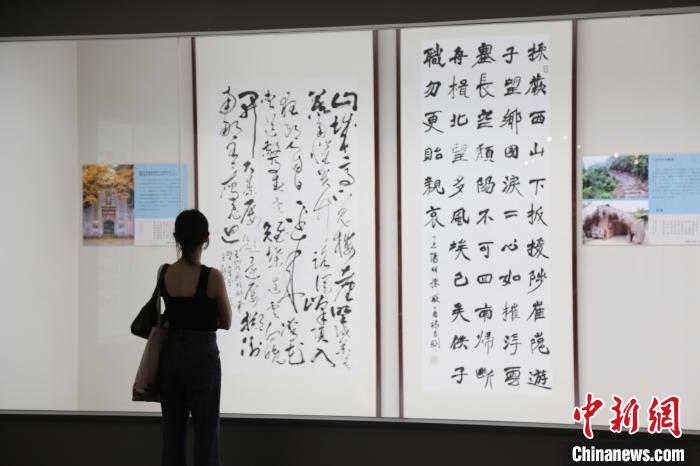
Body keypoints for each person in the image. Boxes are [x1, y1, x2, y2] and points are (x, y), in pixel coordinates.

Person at [156, 209, 232, 466]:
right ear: (206, 238)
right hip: (202, 358)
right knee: (206, 438)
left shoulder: (164, 272)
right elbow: (227, 321)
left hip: (170, 357)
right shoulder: (213, 277)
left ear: (176, 237)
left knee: (172, 438)